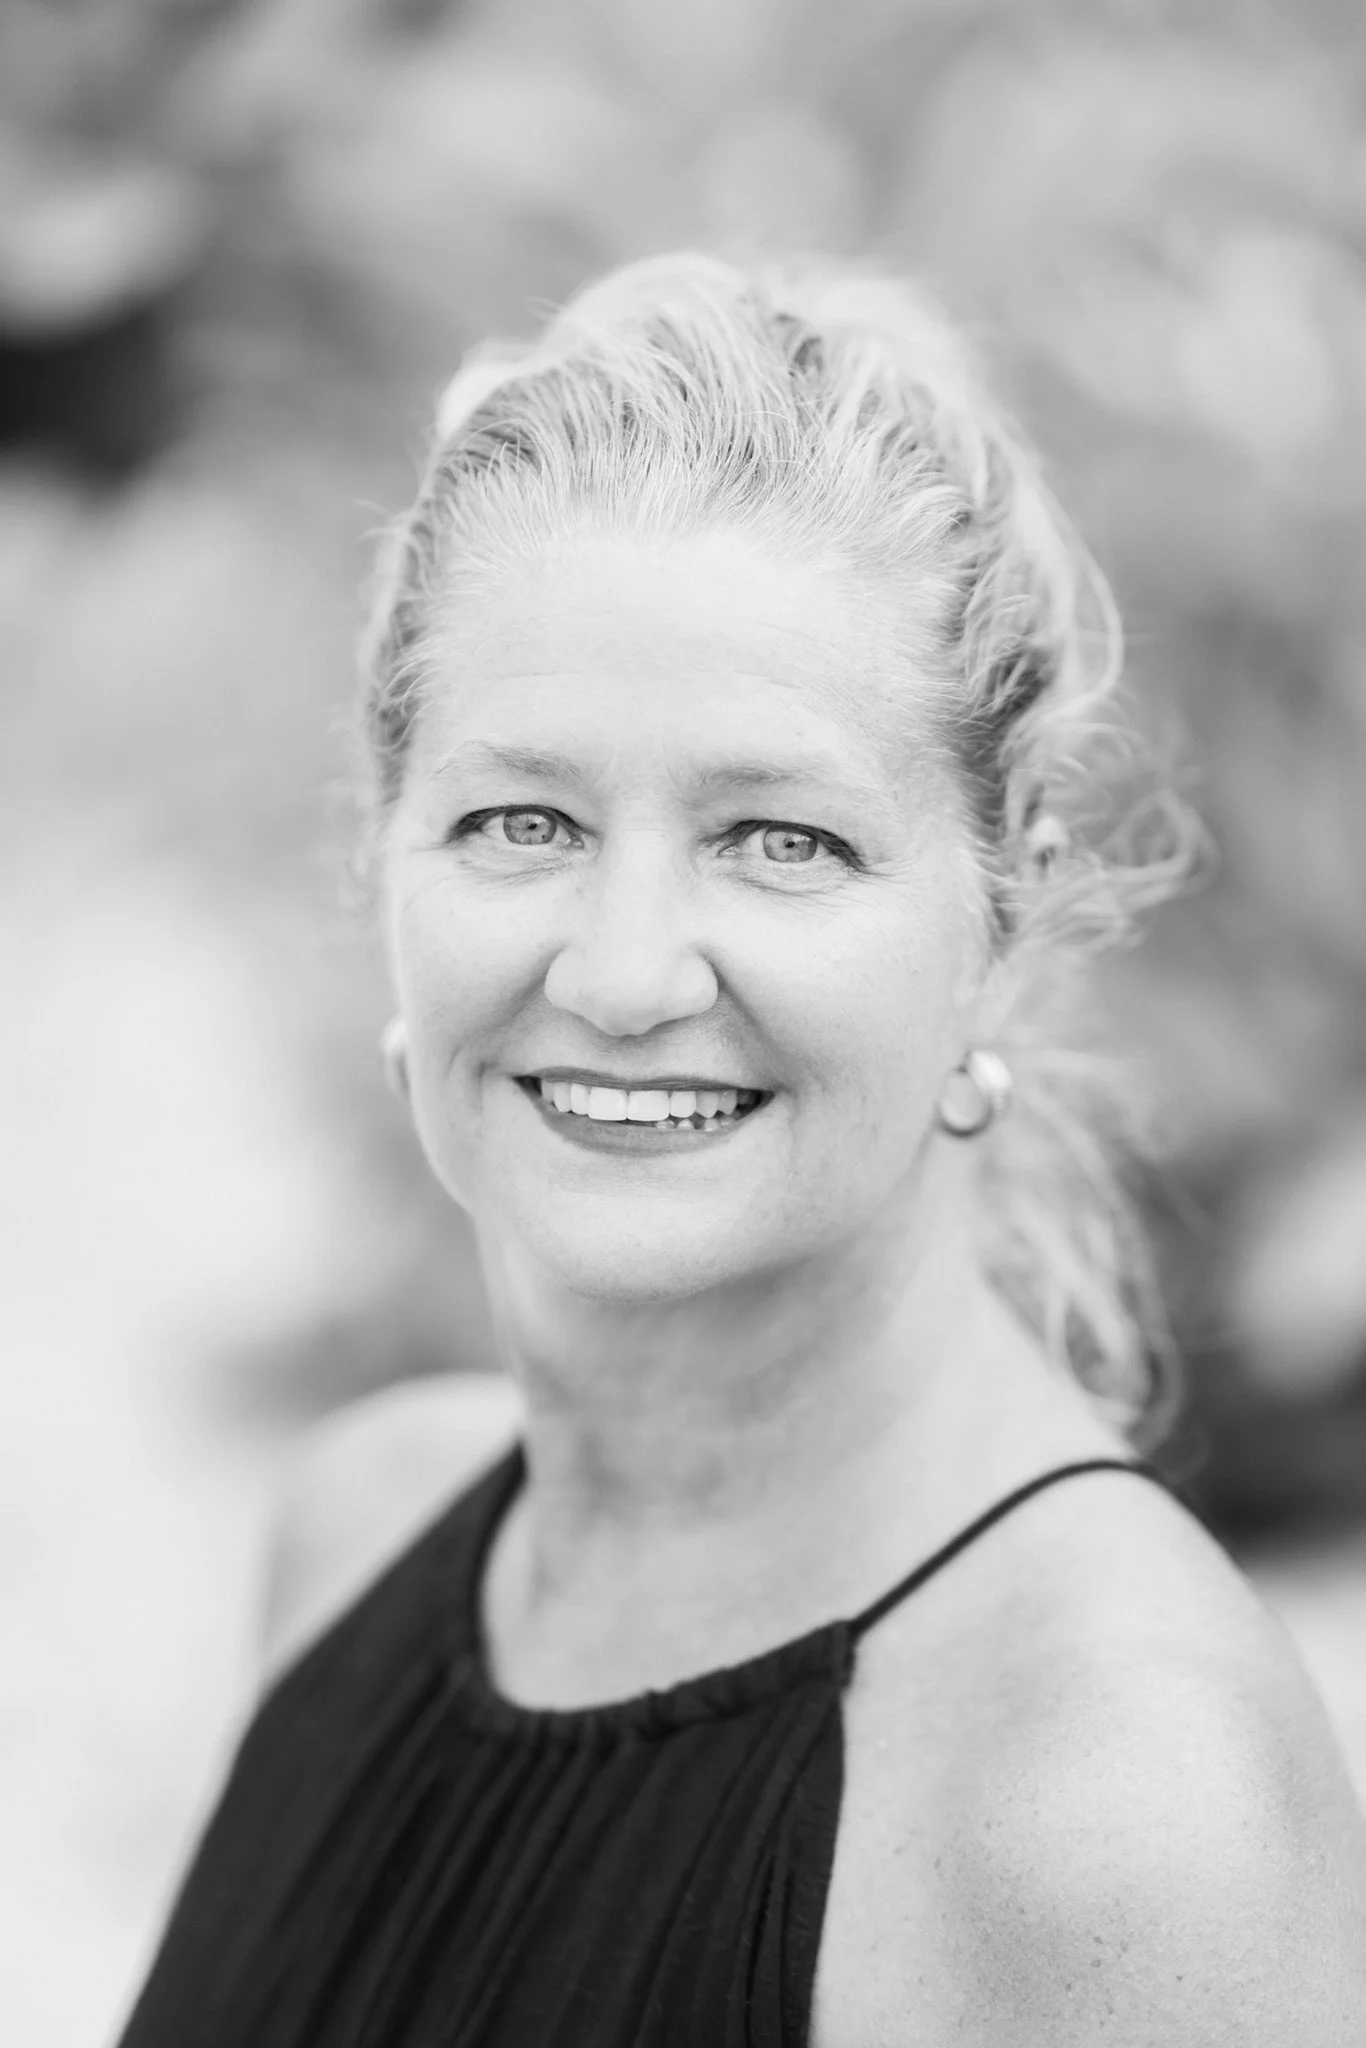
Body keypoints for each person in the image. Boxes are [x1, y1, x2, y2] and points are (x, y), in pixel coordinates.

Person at [115, 254, 1366, 2047]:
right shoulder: (356, 1536)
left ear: (1002, 916)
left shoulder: (1109, 1798)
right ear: (380, 855)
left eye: (778, 839)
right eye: (518, 818)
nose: (622, 975)